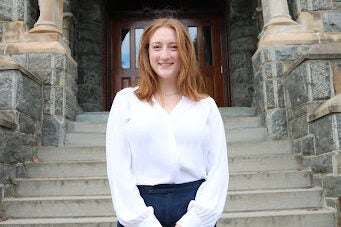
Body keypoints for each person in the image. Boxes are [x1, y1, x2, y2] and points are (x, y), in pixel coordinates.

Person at [106, 18, 229, 227]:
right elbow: (118, 170)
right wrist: (143, 222)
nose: (165, 55)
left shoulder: (206, 106)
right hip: (140, 207)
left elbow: (218, 170)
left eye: (174, 47)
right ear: (146, 53)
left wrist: (193, 221)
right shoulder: (125, 101)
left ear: (185, 53)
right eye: (157, 47)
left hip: (194, 208)